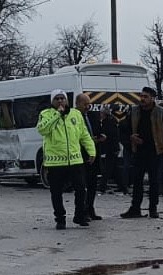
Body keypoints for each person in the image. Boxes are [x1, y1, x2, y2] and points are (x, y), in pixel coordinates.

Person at [37, 90, 96, 230]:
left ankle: (79, 215)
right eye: (56, 99)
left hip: (75, 160)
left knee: (81, 189)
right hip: (55, 162)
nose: (60, 101)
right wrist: (58, 114)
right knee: (56, 193)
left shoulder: (75, 114)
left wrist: (91, 151)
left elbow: (84, 135)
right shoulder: (45, 114)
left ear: (67, 100)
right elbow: (42, 130)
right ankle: (60, 219)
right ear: (52, 101)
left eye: (62, 98)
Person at [120, 87, 163, 219]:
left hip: (155, 151)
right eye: (141, 96)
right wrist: (130, 138)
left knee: (154, 181)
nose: (142, 99)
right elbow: (123, 129)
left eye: (145, 96)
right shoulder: (133, 111)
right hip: (138, 151)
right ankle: (135, 208)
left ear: (152, 98)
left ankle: (153, 208)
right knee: (137, 181)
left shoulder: (161, 112)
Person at [73, 93, 103, 221]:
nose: (87, 107)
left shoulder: (92, 116)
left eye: (89, 104)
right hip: (80, 155)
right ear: (77, 104)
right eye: (85, 104)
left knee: (92, 184)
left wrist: (100, 137)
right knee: (82, 185)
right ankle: (82, 211)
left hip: (93, 154)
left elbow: (95, 130)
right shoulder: (73, 117)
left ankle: (90, 208)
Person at [101, 106, 125, 194]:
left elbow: (109, 135)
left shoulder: (107, 122)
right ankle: (122, 186)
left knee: (108, 168)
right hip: (113, 147)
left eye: (101, 113)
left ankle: (102, 186)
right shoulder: (112, 121)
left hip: (111, 148)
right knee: (115, 169)